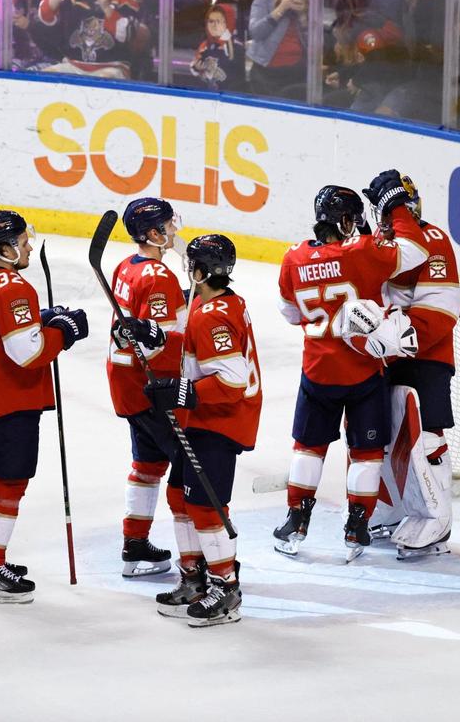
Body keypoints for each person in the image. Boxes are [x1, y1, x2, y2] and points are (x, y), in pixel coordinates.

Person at [272, 184, 425, 562]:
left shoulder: (293, 257)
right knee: (367, 452)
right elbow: (415, 250)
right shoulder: (363, 251)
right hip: (362, 372)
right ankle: (358, 524)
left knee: (308, 447)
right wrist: (398, 208)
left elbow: (290, 313)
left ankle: (296, 519)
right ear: (344, 221)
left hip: (317, 370)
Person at [0, 211, 89, 603]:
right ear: (5, 247)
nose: (29, 245)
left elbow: (9, 329)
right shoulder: (14, 288)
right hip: (8, 397)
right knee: (11, 481)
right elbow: (27, 352)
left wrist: (44, 318)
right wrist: (62, 333)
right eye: (22, 240)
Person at [147, 234, 262, 628]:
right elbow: (195, 347)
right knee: (179, 495)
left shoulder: (213, 314)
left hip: (220, 420)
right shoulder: (211, 303)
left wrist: (183, 391)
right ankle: (194, 579)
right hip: (203, 418)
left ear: (199, 271)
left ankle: (225, 588)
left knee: (205, 506)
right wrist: (155, 336)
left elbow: (230, 380)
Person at [368, 170, 460, 558]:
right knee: (387, 438)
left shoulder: (434, 240)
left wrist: (399, 339)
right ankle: (392, 510)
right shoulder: (379, 242)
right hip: (382, 357)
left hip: (425, 358)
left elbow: (440, 309)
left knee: (425, 437)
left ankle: (436, 519)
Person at [106, 198, 188, 577]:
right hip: (151, 386)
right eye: (168, 226)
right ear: (153, 234)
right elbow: (157, 339)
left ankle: (134, 544)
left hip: (126, 383)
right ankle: (199, 557)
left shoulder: (127, 266)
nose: (173, 231)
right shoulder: (158, 277)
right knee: (189, 468)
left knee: (147, 464)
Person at [38, 0, 140, 79]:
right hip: (73, 65)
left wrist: (106, 6)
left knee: (102, 80)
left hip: (111, 67)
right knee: (44, 77)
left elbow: (127, 35)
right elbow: (45, 17)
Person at [247, 0, 309, 99]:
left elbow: (316, 47)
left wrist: (303, 17)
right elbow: (256, 33)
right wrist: (280, 9)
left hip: (296, 74)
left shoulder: (312, 3)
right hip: (265, 73)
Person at [11, 0, 60, 70]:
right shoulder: (14, 1)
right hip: (24, 57)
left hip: (50, 58)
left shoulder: (50, 2)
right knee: (8, 69)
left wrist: (29, 25)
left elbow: (56, 37)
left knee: (29, 73)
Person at [190, 4, 246, 92]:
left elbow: (240, 82)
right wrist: (197, 68)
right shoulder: (204, 45)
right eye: (211, 21)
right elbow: (195, 71)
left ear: (228, 23)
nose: (214, 25)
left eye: (218, 21)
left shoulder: (236, 48)